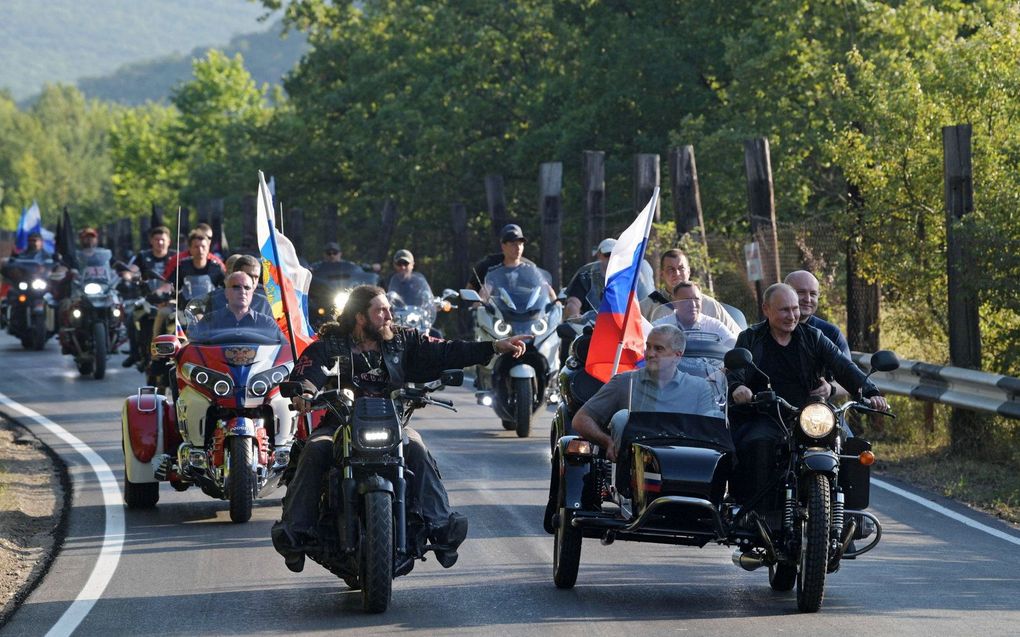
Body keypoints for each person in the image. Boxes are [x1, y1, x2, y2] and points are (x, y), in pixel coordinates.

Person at [272, 284, 532, 573]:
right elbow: (309, 371)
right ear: (360, 317)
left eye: (388, 309)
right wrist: (304, 392)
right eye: (380, 310)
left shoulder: (402, 341)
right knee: (314, 450)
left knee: (417, 449)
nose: (388, 315)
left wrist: (494, 346)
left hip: (393, 423)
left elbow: (446, 351)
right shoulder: (330, 346)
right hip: (340, 423)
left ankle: (442, 528)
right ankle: (293, 536)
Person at [726, 283, 889, 504]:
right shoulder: (750, 337)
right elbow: (736, 371)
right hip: (766, 414)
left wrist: (871, 392)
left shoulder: (813, 336)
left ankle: (846, 516)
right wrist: (739, 388)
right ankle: (757, 510)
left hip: (811, 415)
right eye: (784, 309)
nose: (792, 315)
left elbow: (843, 367)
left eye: (795, 309)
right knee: (757, 441)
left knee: (846, 444)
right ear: (766, 309)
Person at [572, 324, 722, 462]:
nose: (650, 354)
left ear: (677, 355)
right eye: (648, 347)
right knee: (622, 417)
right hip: (632, 471)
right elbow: (581, 419)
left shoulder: (699, 388)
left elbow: (710, 435)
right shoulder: (624, 382)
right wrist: (608, 442)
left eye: (659, 349)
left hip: (684, 467)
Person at [640, 249, 740, 333]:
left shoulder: (709, 305)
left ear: (688, 271)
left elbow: (737, 337)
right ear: (662, 274)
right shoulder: (648, 306)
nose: (677, 273)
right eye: (671, 269)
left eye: (681, 268)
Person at [187, 271, 280, 341]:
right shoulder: (209, 321)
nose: (242, 291)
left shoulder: (267, 324)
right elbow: (193, 348)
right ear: (226, 293)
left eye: (247, 288)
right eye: (236, 287)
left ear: (252, 293)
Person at [783, 270, 851, 358]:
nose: (808, 299)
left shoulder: (831, 334)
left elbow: (846, 370)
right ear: (784, 293)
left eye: (813, 294)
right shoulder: (764, 333)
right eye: (801, 292)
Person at [653, 282, 738, 349]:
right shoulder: (659, 327)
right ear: (675, 303)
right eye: (686, 300)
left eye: (696, 299)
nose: (692, 304)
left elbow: (733, 345)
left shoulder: (714, 326)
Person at [466, 224, 537, 291]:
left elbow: (543, 288)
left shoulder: (530, 268)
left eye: (520, 244)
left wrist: (547, 292)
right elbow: (470, 291)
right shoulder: (487, 266)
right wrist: (478, 302)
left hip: (524, 304)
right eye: (513, 244)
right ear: (503, 246)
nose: (518, 248)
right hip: (493, 304)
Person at [204, 254, 272, 316]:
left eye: (256, 277)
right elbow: (206, 328)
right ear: (235, 274)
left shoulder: (264, 304)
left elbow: (273, 328)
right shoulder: (215, 302)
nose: (253, 281)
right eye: (249, 276)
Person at [563, 238, 614, 319]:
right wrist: (574, 317)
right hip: (591, 327)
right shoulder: (585, 276)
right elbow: (573, 302)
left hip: (621, 326)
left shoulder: (629, 278)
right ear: (599, 255)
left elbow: (641, 301)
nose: (611, 258)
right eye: (608, 254)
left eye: (615, 255)